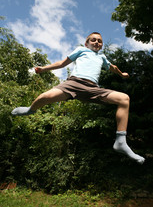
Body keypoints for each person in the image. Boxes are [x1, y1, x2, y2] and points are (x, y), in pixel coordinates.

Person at [12, 32, 145, 164]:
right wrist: (44, 69)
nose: (97, 42)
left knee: (124, 99)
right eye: (93, 40)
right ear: (86, 43)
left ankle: (121, 141)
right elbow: (62, 63)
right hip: (73, 84)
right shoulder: (81, 50)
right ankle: (31, 109)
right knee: (45, 96)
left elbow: (113, 67)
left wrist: (122, 74)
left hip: (93, 89)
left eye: (100, 41)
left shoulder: (102, 57)